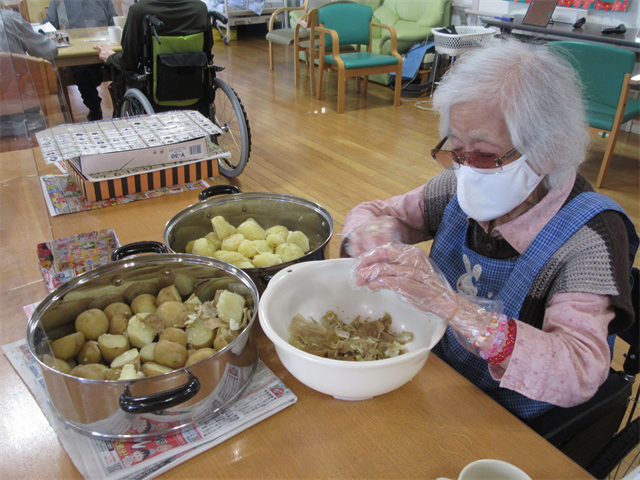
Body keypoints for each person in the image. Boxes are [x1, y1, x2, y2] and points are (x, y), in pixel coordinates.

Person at [343, 38, 639, 420]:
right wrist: (372, 233)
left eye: (484, 154)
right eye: (455, 151)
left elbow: (579, 370)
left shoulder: (591, 236)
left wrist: (454, 307)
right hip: (443, 377)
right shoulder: (457, 185)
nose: (465, 170)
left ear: (550, 148)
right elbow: (377, 211)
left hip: (516, 415)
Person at [45, 0, 118, 121]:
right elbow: (50, 25)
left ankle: (121, 104)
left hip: (104, 46)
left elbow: (114, 22)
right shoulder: (59, 2)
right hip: (76, 50)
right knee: (83, 71)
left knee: (121, 66)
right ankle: (94, 107)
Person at [93, 0, 208, 74]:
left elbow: (128, 62)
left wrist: (111, 57)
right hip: (194, 81)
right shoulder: (200, 8)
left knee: (119, 72)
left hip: (156, 86)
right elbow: (207, 50)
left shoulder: (138, 11)